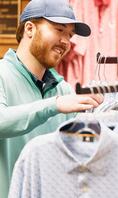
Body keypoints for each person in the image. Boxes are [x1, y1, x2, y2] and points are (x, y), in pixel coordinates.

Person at [0, 0, 104, 197]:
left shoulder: (63, 90)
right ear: (29, 29)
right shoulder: (2, 73)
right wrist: (54, 105)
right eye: (59, 30)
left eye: (70, 35)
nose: (66, 41)